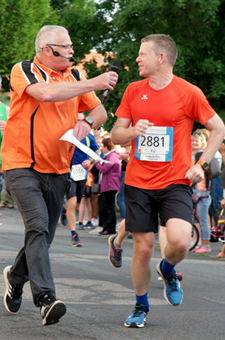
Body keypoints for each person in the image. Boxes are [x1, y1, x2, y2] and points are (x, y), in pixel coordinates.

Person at [1, 25, 118, 326]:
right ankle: (45, 299)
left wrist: (88, 122)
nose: (71, 51)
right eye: (65, 47)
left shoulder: (76, 77)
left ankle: (15, 277)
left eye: (71, 46)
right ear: (46, 50)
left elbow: (101, 113)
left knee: (45, 235)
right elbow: (47, 93)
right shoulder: (24, 70)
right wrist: (94, 82)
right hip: (21, 164)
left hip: (58, 169)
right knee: (38, 226)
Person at [111, 33, 224, 328]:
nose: (137, 59)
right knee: (143, 248)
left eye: (141, 54)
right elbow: (115, 135)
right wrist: (133, 131)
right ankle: (140, 306)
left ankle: (168, 269)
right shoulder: (133, 91)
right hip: (138, 182)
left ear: (161, 58)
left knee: (179, 242)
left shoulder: (189, 92)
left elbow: (218, 128)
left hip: (175, 181)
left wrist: (201, 164)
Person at [61, 113, 100, 246]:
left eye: (81, 120)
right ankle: (74, 236)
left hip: (82, 174)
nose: (79, 123)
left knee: (77, 205)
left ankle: (64, 210)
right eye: (76, 120)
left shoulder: (89, 137)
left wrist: (89, 160)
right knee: (72, 204)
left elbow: (97, 151)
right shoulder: (67, 136)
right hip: (68, 173)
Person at [95, 136, 121, 235]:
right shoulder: (111, 156)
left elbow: (105, 169)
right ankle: (106, 227)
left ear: (107, 146)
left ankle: (110, 228)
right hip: (108, 186)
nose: (102, 149)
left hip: (110, 186)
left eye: (103, 146)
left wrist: (97, 163)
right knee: (105, 207)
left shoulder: (112, 156)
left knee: (109, 208)